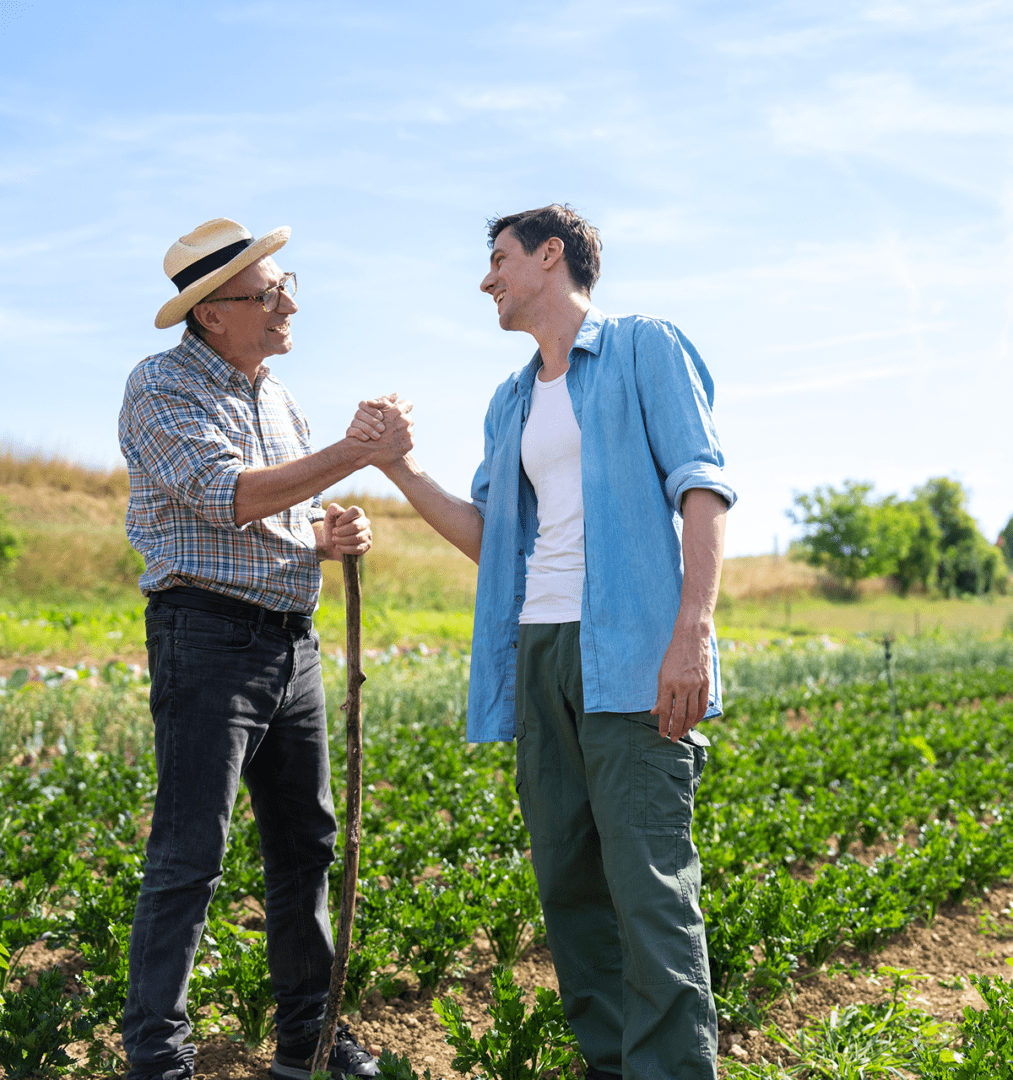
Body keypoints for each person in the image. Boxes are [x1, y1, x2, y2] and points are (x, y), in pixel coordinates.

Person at [351, 205, 735, 1079]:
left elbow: (701, 489)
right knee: (567, 886)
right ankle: (609, 1064)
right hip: (540, 651)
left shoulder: (644, 347)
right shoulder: (512, 399)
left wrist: (693, 631)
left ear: (550, 254)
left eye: (497, 258)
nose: (485, 279)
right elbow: (494, 536)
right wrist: (399, 467)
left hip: (634, 651)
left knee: (649, 890)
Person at [119, 217, 413, 1080]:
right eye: (270, 291)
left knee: (305, 845)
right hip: (207, 638)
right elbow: (229, 496)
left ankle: (307, 1040)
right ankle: (157, 1060)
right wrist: (354, 453)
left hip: (293, 646)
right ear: (213, 313)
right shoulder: (161, 386)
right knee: (190, 854)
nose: (290, 301)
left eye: (287, 283)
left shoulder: (277, 396)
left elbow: (280, 513)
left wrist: (329, 533)